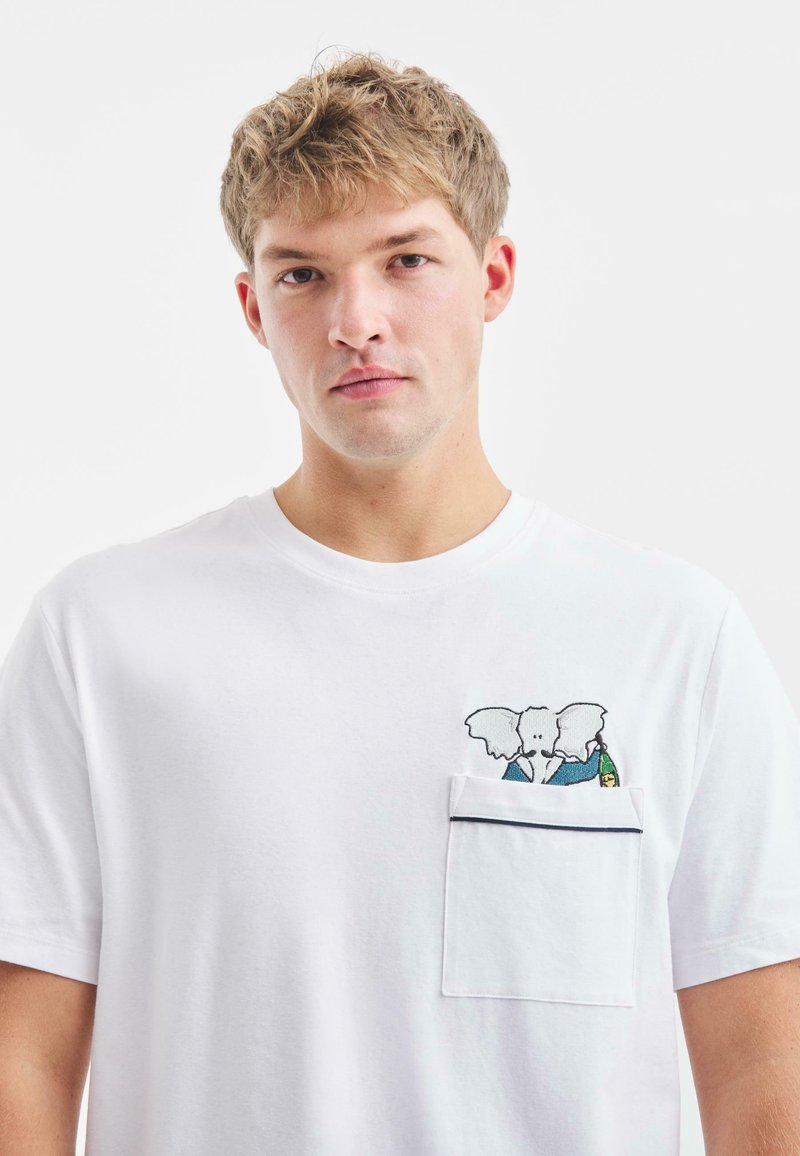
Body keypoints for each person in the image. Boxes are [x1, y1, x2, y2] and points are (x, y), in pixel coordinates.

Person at [1, 48, 799, 1156]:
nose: (356, 319)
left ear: (494, 275)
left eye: (406, 259)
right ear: (252, 307)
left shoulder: (674, 641)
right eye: (302, 275)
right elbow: (25, 1061)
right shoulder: (100, 636)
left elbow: (761, 1074)